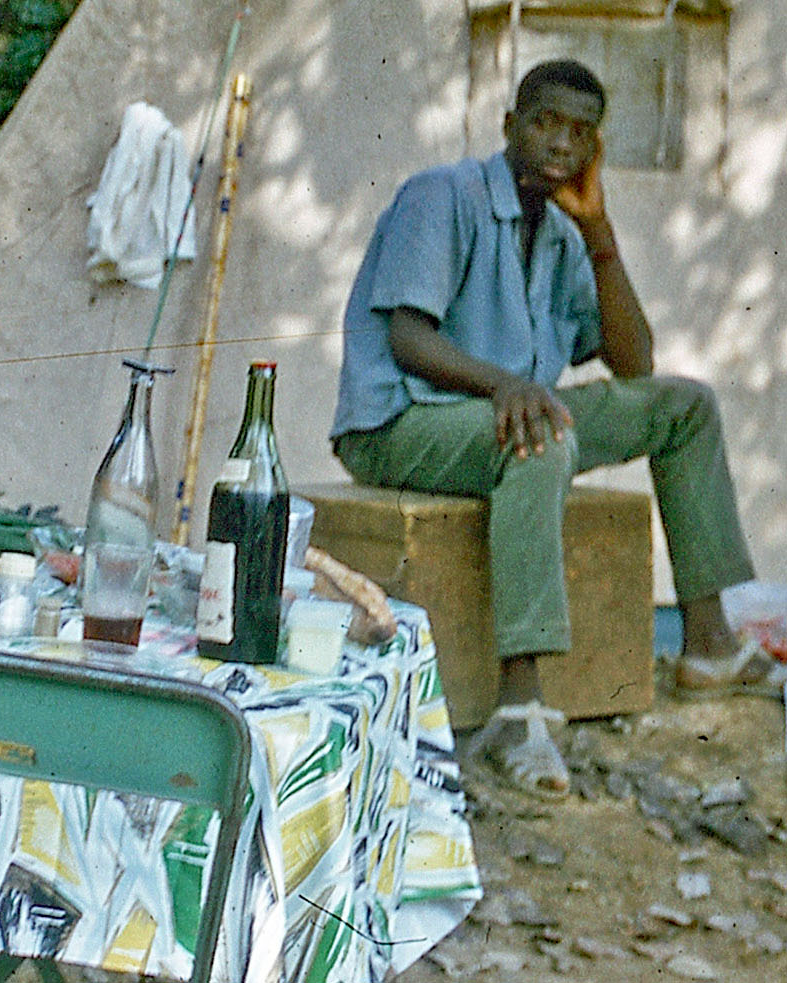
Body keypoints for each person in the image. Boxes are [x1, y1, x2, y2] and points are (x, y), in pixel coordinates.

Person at [330, 58, 777, 795]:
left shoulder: (565, 235)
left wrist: (598, 227)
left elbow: (633, 363)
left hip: (503, 417)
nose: (558, 143)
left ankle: (707, 647)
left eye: (579, 133)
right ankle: (519, 707)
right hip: (400, 425)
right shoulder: (442, 195)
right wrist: (507, 384)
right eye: (543, 122)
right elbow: (409, 338)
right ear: (508, 124)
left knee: (682, 405)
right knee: (539, 434)